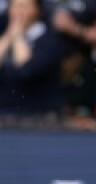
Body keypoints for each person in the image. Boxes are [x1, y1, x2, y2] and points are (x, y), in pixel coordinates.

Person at [0, 0, 65, 128]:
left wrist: (17, 35)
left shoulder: (49, 39)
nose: (19, 11)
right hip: (4, 114)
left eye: (24, 6)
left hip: (39, 117)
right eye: (15, 6)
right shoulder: (4, 34)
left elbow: (26, 71)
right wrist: (8, 36)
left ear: (37, 10)